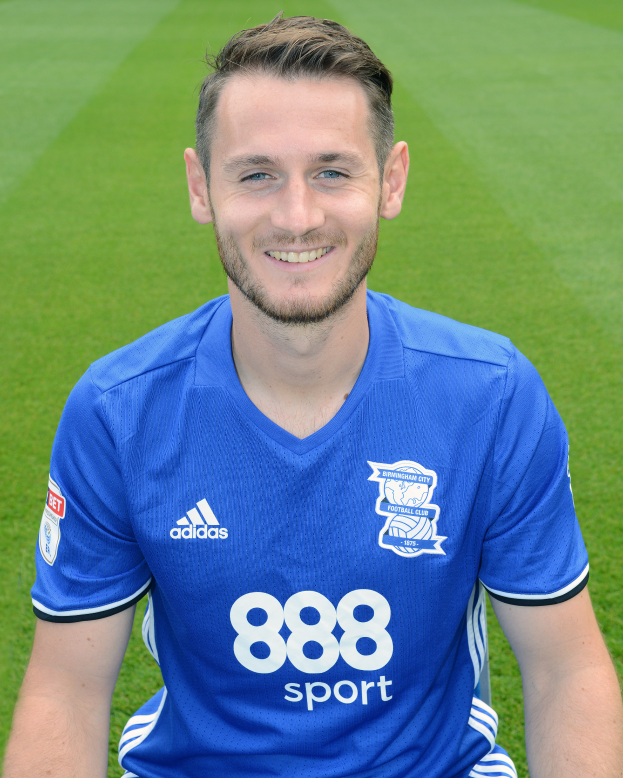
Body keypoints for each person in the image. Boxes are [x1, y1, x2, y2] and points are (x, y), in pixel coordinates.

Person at [4, 14, 622, 778]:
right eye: (256, 173)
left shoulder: (489, 396)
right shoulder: (117, 411)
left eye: (331, 171)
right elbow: (66, 687)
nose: (296, 216)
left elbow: (566, 671)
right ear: (201, 187)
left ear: (389, 180)